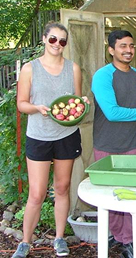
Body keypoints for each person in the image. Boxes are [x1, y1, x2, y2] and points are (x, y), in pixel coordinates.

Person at [15, 22, 88, 257]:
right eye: (53, 39)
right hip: (39, 136)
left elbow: (74, 103)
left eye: (63, 41)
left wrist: (82, 104)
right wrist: (37, 107)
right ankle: (25, 242)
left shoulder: (73, 68)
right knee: (36, 193)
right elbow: (21, 103)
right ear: (45, 39)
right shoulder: (30, 69)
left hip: (66, 135)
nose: (58, 44)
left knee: (62, 187)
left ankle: (59, 239)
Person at [91, 30, 136, 247]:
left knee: (132, 193)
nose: (128, 50)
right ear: (111, 50)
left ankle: (130, 240)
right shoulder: (103, 76)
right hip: (106, 144)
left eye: (131, 46)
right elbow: (112, 113)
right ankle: (116, 235)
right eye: (123, 46)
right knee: (110, 195)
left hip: (131, 144)